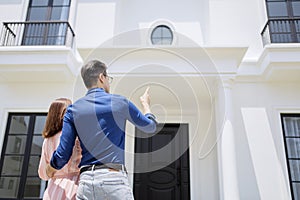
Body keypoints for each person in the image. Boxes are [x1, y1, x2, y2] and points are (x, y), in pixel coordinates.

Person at [46, 60, 157, 200]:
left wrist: (50, 168)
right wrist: (146, 105)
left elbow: (63, 153)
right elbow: (150, 127)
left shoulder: (73, 110)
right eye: (108, 78)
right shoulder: (120, 103)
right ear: (101, 77)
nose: (108, 83)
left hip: (86, 182)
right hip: (113, 179)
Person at [38, 98, 82, 200]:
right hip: (74, 188)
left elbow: (43, 174)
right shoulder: (76, 138)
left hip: (53, 190)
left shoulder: (47, 141)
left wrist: (52, 172)